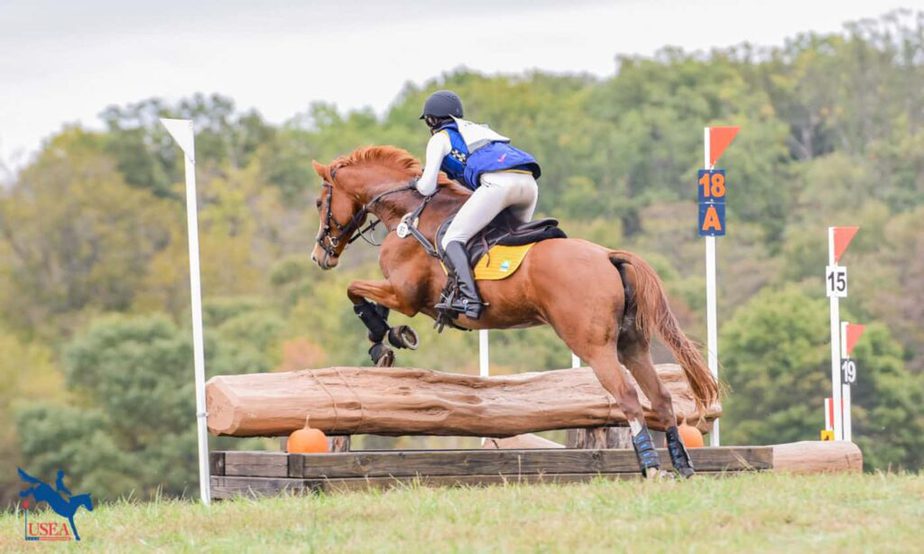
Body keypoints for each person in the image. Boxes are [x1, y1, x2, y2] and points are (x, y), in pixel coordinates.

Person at [415, 90, 541, 319]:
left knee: (452, 238)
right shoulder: (480, 130)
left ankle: (470, 300)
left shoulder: (439, 138)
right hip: (529, 185)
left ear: (432, 120)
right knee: (509, 240)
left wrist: (415, 183)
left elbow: (426, 187)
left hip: (499, 186)